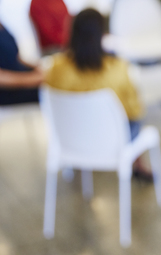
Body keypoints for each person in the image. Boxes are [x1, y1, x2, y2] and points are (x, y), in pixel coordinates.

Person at [45, 9, 151, 181]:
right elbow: (134, 111)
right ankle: (137, 164)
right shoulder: (117, 68)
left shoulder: (56, 68)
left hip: (71, 141)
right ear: (103, 34)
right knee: (136, 120)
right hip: (112, 143)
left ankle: (78, 166)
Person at [0, 22, 43, 105]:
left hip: (21, 76)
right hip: (9, 91)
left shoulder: (2, 25)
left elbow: (15, 57)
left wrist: (37, 66)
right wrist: (35, 78)